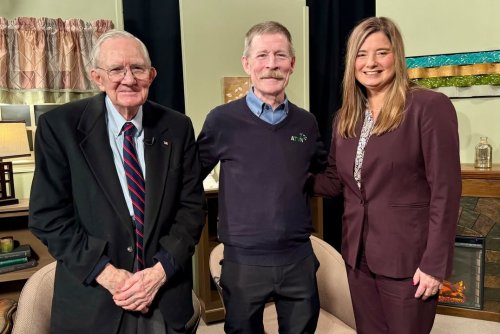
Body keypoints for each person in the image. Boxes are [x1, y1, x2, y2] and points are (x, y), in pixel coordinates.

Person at [29, 30, 204, 334]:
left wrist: (159, 273)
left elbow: (192, 209)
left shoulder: (177, 127)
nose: (129, 79)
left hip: (163, 298)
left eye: (137, 68)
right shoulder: (59, 128)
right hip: (95, 300)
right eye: (116, 70)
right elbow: (48, 218)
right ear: (97, 77)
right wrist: (107, 274)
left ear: (151, 74)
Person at [314, 17, 461, 334]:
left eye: (381, 52)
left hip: (409, 259)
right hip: (358, 256)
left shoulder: (428, 107)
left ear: (397, 55)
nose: (371, 63)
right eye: (361, 54)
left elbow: (445, 192)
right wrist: (284, 174)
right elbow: (335, 181)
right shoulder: (346, 117)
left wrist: (435, 264)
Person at [197, 21, 326, 333]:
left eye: (280, 55)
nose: (271, 65)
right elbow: (187, 177)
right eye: (262, 55)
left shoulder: (306, 124)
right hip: (244, 262)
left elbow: (323, 174)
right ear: (247, 63)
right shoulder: (221, 120)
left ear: (292, 64)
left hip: (297, 258)